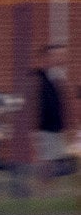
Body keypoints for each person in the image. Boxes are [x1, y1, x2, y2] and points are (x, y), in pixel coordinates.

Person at [36, 41, 74, 191]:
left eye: (63, 55)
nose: (61, 58)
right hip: (46, 126)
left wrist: (69, 125)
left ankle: (49, 188)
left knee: (55, 159)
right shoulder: (41, 76)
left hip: (57, 126)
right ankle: (43, 188)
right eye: (57, 55)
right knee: (47, 159)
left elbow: (64, 103)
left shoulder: (59, 76)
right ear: (48, 56)